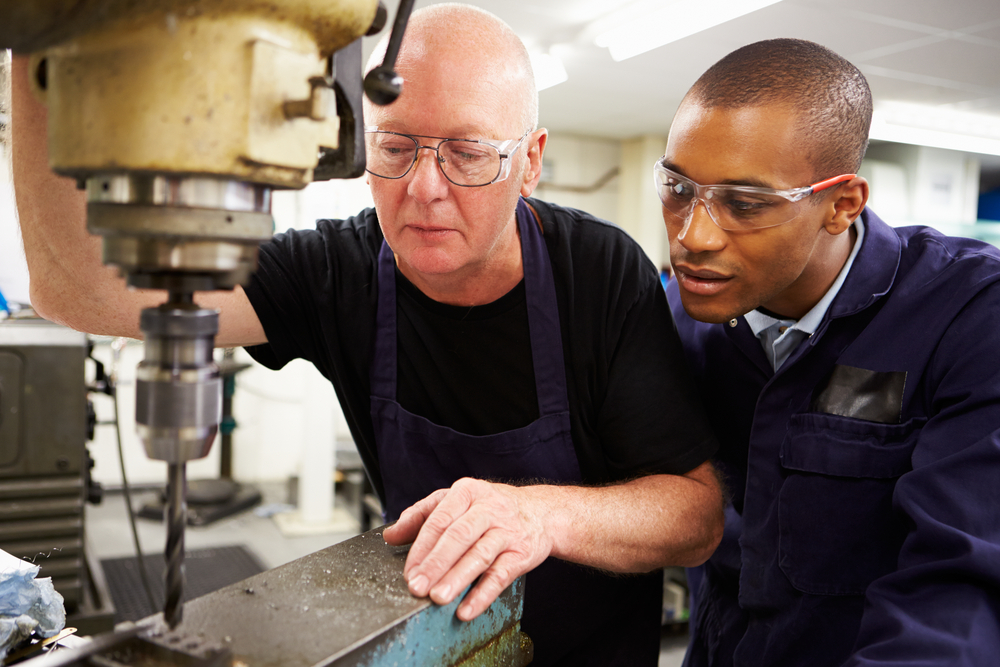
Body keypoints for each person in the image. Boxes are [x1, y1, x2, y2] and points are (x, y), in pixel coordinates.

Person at [12, 4, 724, 665]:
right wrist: (38, 41)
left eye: (467, 153)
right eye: (397, 147)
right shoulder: (336, 268)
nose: (424, 187)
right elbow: (80, 291)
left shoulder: (598, 272)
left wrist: (538, 512)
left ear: (530, 161)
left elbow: (694, 515)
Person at [660, 38, 1000, 666]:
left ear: (841, 204)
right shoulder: (683, 321)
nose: (692, 235)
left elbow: (959, 586)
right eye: (678, 187)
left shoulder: (971, 316)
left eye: (745, 202)